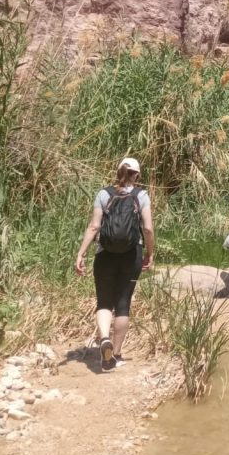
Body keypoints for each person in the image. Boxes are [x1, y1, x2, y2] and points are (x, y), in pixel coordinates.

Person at [75, 157, 154, 372]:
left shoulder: (104, 194)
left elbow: (94, 227)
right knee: (123, 304)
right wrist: (150, 253)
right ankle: (115, 355)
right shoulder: (141, 196)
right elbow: (148, 229)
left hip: (105, 254)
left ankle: (104, 339)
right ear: (137, 175)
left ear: (118, 171)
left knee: (103, 302)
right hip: (132, 254)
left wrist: (81, 253)